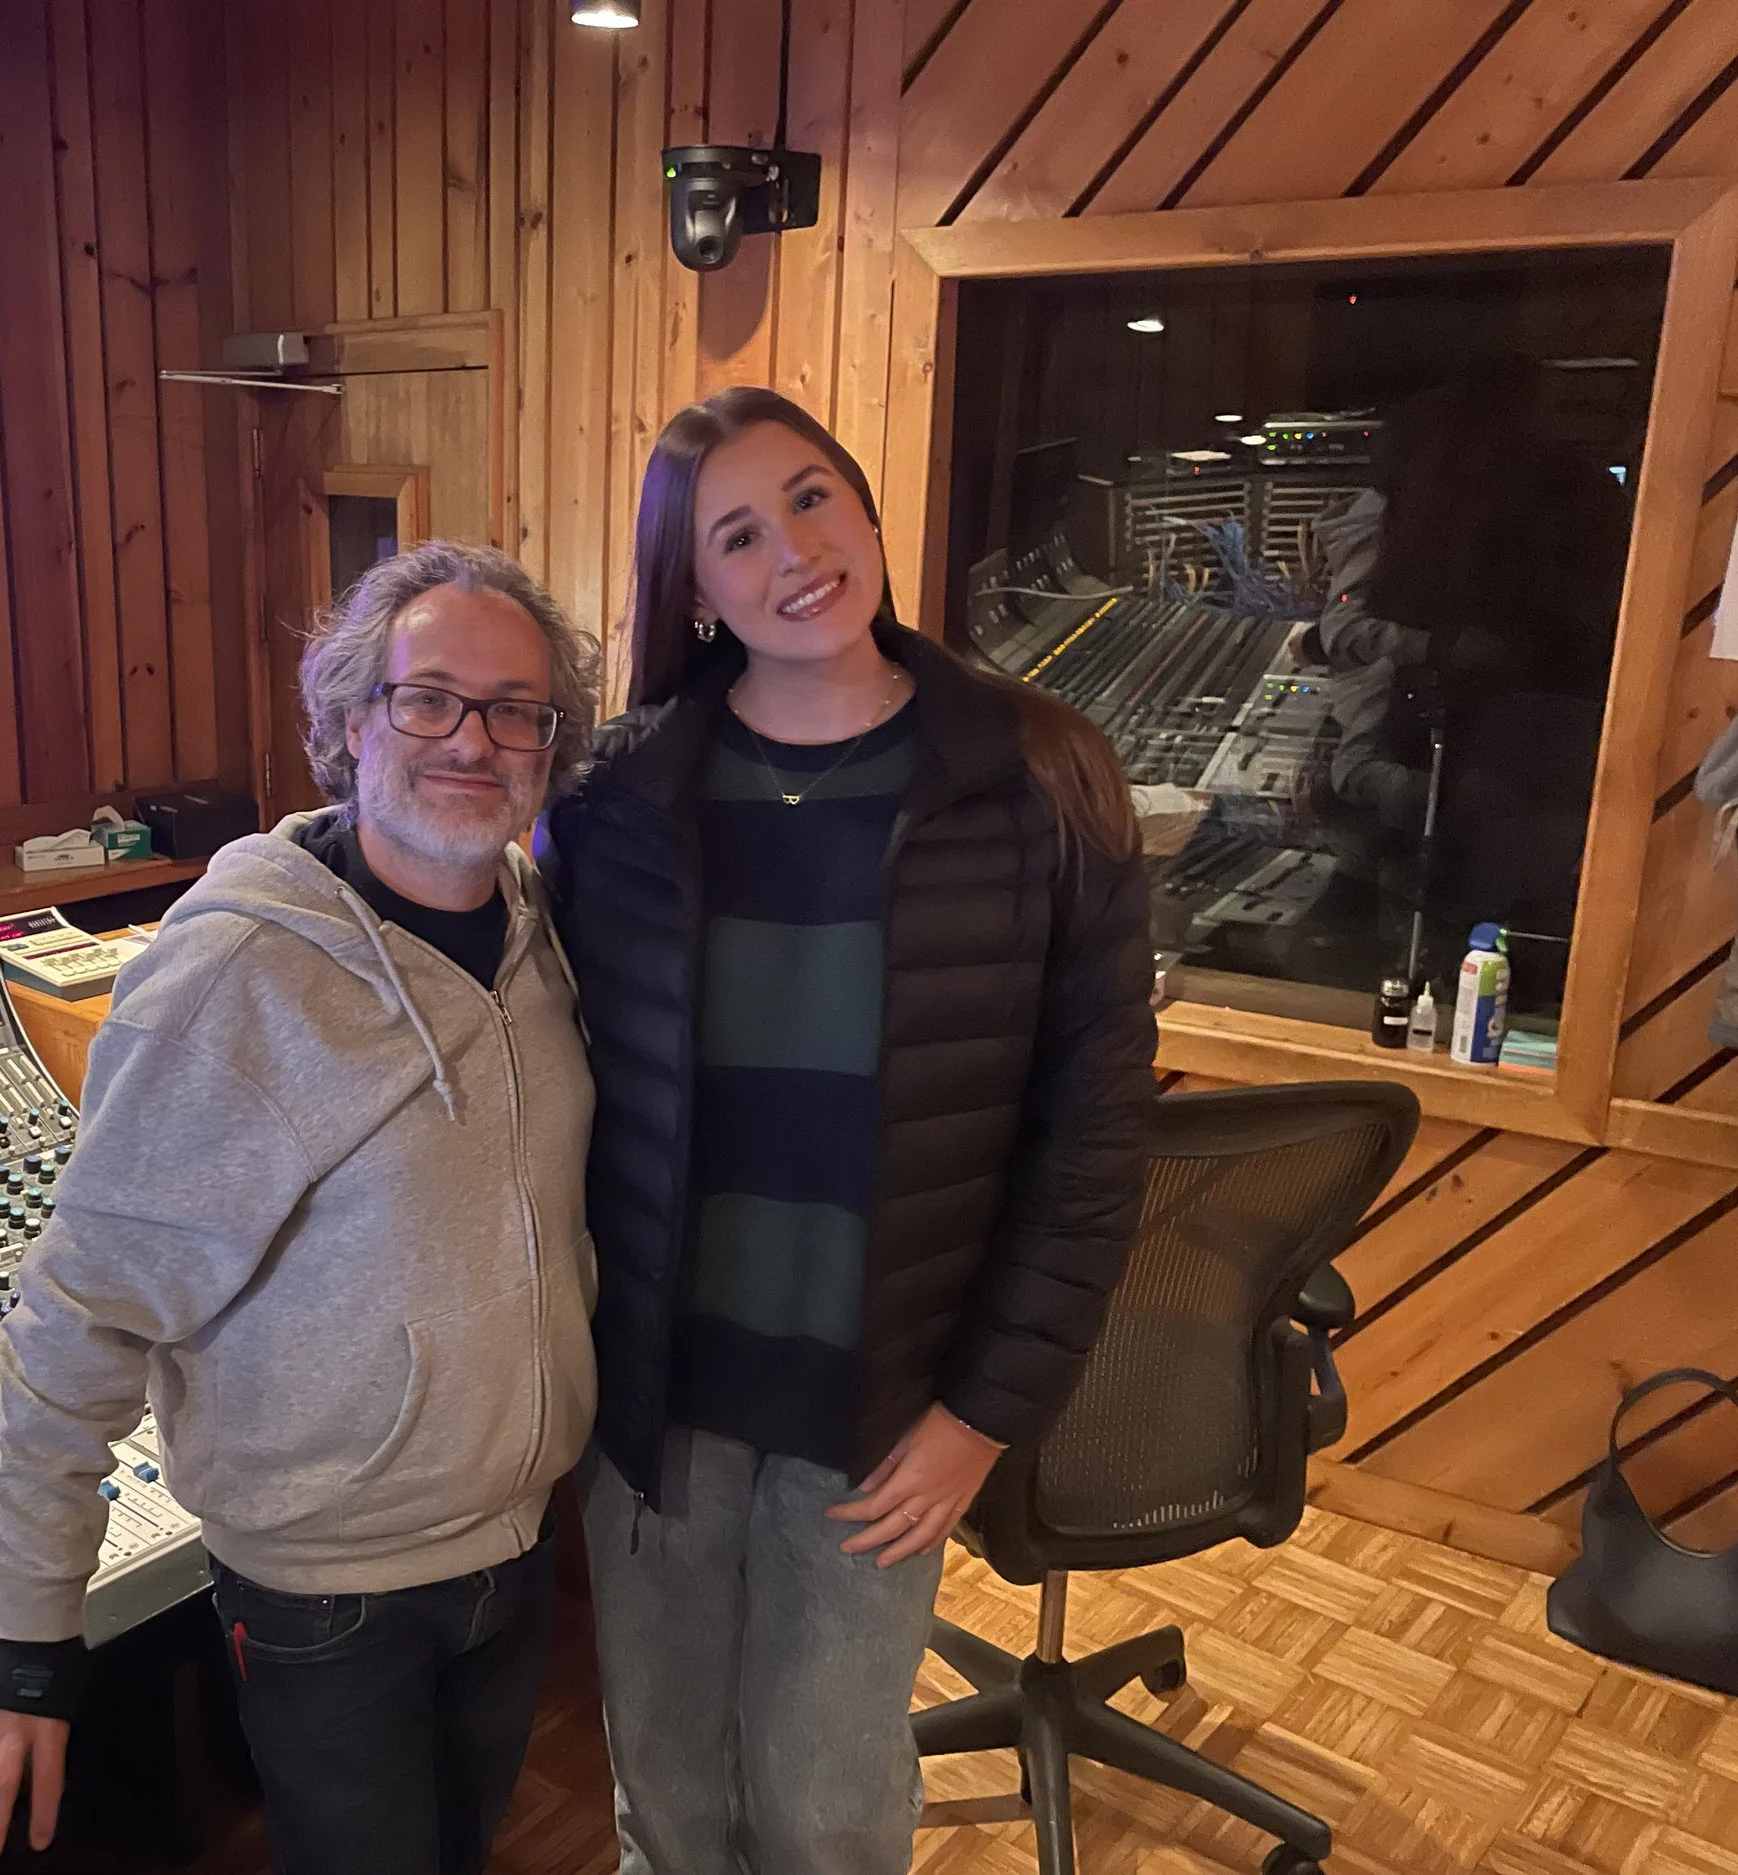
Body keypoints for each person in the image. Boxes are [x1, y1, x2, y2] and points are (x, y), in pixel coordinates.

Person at [542, 387, 1158, 1875]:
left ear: (869, 509)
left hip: (881, 1410)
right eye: (737, 535)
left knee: (824, 1810)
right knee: (667, 1800)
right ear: (694, 588)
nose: (794, 554)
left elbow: (1092, 1141)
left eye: (812, 499)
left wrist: (981, 1416)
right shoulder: (614, 798)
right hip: (658, 1403)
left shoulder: (1043, 777)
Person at [0, 539, 604, 1875]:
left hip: (519, 1538)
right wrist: (27, 1631)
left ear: (549, 744)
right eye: (429, 698)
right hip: (328, 1593)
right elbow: (84, 1304)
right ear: (354, 722)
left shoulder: (543, 931)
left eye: (515, 708)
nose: (473, 739)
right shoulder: (237, 969)